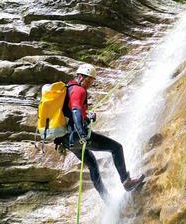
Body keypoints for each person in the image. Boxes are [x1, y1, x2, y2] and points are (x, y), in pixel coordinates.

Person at [56, 63, 145, 201]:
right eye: (88, 80)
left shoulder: (68, 90)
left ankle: (107, 200)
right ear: (80, 77)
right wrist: (82, 134)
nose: (90, 83)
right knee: (116, 148)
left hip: (67, 141)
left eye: (92, 81)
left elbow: (73, 113)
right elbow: (75, 111)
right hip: (77, 136)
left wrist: (88, 117)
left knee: (92, 165)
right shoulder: (79, 90)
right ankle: (126, 181)